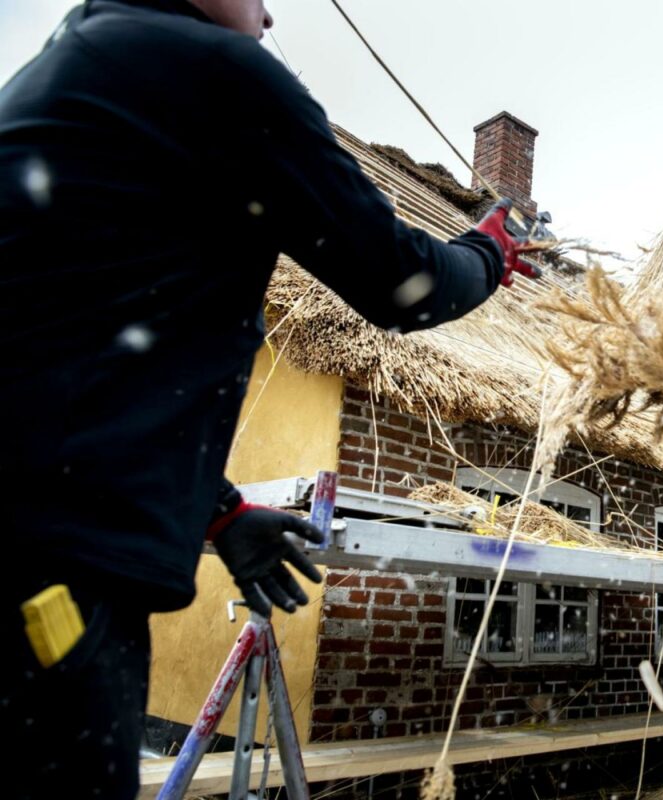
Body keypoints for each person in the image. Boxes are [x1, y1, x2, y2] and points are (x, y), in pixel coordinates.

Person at [0, 1, 536, 797]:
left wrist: (219, 511)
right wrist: (490, 248)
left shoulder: (73, 71)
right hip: (48, 576)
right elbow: (404, 283)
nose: (271, 12)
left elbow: (61, 354)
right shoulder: (219, 71)